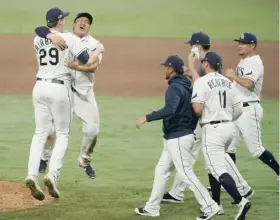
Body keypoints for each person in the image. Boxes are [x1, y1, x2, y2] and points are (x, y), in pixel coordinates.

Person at [162, 33, 253, 212]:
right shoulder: (217, 68)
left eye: (192, 46)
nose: (190, 48)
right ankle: (180, 192)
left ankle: (237, 194)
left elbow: (200, 87)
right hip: (225, 122)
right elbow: (236, 106)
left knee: (208, 161)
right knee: (212, 156)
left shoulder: (205, 67)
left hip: (210, 123)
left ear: (197, 46)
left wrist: (190, 63)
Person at [25, 7, 102, 201]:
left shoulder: (38, 39)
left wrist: (50, 36)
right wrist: (96, 51)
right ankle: (52, 175)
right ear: (60, 21)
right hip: (59, 89)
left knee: (40, 133)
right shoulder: (70, 39)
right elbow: (86, 60)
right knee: (63, 134)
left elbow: (39, 30)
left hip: (39, 87)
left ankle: (32, 174)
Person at [134, 55, 221, 220]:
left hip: (179, 138)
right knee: (161, 170)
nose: (164, 70)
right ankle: (152, 207)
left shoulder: (175, 87)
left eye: (165, 67)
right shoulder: (188, 85)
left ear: (171, 69)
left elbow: (170, 109)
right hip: (178, 136)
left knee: (186, 173)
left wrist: (148, 117)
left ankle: (210, 205)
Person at [190, 51, 252, 220]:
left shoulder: (202, 82)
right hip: (229, 128)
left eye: (203, 62)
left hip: (213, 130)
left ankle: (240, 200)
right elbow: (239, 109)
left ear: (206, 64)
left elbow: (197, 109)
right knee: (213, 166)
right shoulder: (228, 82)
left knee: (217, 168)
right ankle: (216, 204)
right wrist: (225, 118)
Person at [224, 32, 279, 177]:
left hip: (249, 110)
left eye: (243, 43)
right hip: (237, 110)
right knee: (229, 147)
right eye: (239, 43)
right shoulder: (244, 61)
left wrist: (233, 76)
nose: (239, 46)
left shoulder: (255, 62)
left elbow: (249, 84)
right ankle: (231, 181)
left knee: (256, 150)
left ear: (252, 45)